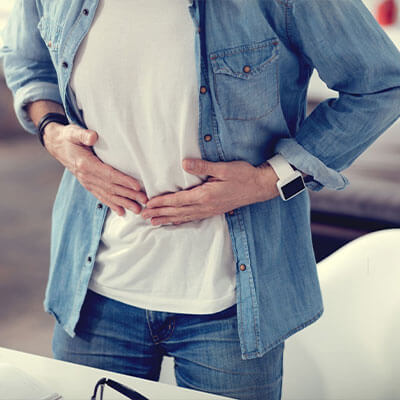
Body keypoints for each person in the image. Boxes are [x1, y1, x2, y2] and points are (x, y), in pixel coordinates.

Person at [1, 1, 399, 399]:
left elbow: (381, 82)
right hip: (93, 293)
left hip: (232, 306)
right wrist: (53, 134)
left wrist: (268, 180)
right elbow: (27, 61)